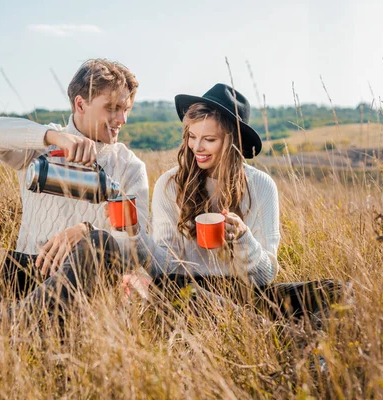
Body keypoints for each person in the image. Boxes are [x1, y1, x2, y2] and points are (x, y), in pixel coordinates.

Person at [0, 59, 149, 325]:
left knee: (97, 243)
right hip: (28, 269)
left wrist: (87, 231)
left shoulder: (130, 167)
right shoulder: (40, 145)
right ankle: (9, 322)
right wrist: (52, 137)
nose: (122, 119)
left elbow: (140, 250)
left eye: (126, 109)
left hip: (82, 278)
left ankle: (1, 329)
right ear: (80, 104)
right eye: (112, 108)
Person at [125, 83, 347, 324]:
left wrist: (243, 238)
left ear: (232, 142)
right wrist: (135, 233)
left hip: (246, 293)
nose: (197, 147)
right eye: (192, 136)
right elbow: (164, 269)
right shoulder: (169, 184)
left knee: (336, 291)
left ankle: (265, 328)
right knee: (166, 286)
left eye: (209, 139)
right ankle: (278, 334)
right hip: (193, 293)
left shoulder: (261, 185)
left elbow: (265, 276)